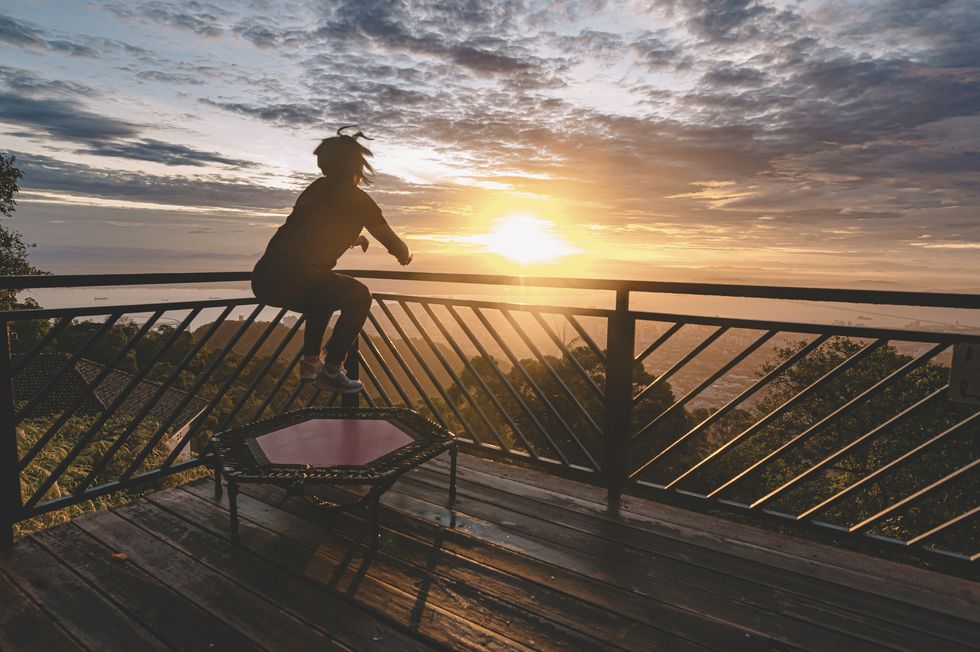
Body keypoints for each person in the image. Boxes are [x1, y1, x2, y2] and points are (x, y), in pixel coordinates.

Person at [251, 126, 412, 393]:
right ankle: (332, 368)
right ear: (356, 168)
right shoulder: (358, 200)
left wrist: (353, 239)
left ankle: (310, 366)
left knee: (323, 298)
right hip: (296, 276)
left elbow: (313, 231)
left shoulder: (314, 190)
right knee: (359, 295)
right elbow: (394, 243)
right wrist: (405, 255)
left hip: (265, 277)